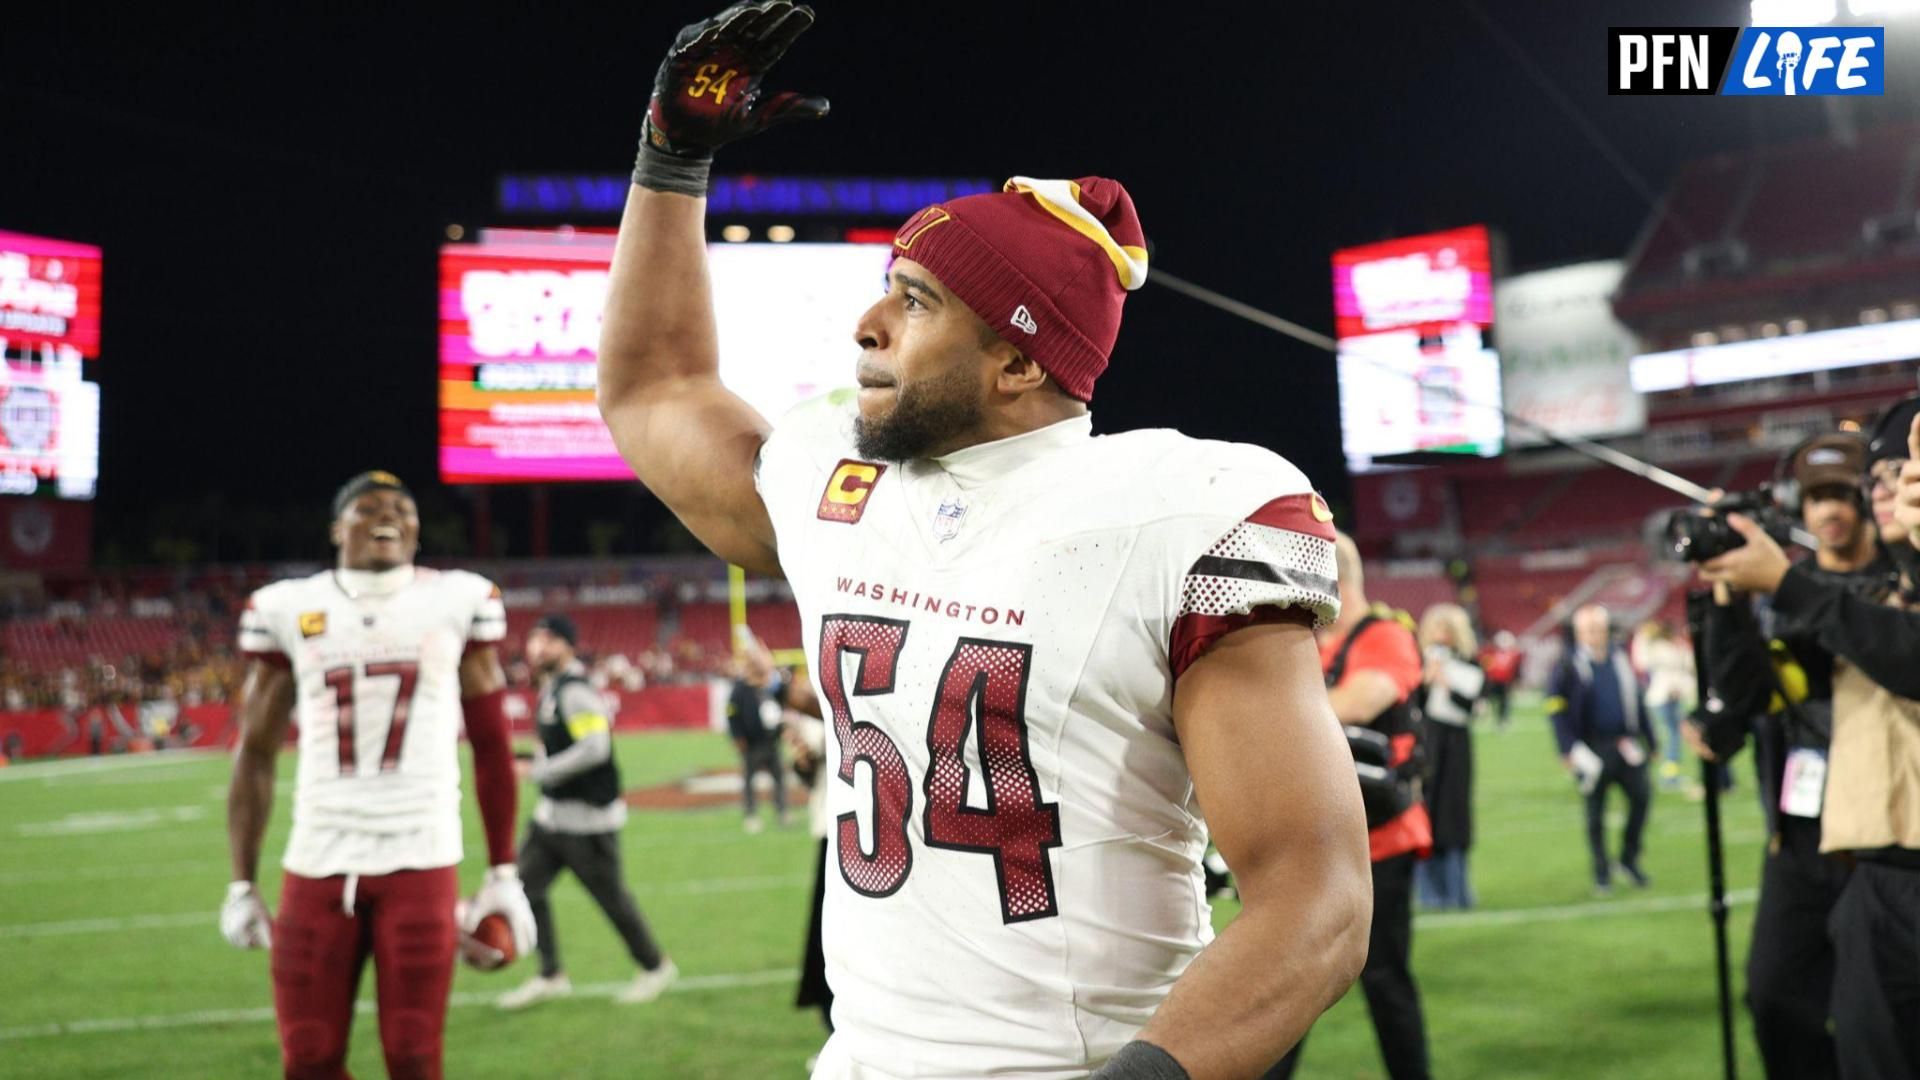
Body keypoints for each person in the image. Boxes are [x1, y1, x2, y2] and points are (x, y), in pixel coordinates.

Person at [593, 4, 1373, 1076]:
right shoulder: (839, 483)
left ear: (1017, 363)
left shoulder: (1180, 509)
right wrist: (670, 162)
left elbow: (1318, 899)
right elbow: (656, 387)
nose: (868, 326)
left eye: (914, 302)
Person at [221, 471, 536, 1080]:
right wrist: (240, 882)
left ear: (418, 529)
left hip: (421, 855)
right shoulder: (289, 606)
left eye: (402, 507)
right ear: (338, 528)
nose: (387, 515)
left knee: (415, 1055)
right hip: (317, 858)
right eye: (368, 507)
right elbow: (255, 753)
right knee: (308, 1056)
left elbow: (494, 746)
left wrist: (502, 871)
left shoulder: (456, 599)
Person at [1707, 406, 1920, 1079]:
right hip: (1818, 840)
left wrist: (1788, 582)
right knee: (1783, 1004)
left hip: (1891, 851)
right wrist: (1731, 599)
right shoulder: (1814, 596)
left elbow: (1903, 652)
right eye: (1819, 495)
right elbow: (1746, 694)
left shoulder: (1889, 582)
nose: (1843, 506)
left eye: (1856, 489)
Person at [1268, 534, 1432, 1080]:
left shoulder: (1385, 635)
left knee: (1385, 983)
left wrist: (1270, 716)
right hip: (1314, 842)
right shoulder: (1314, 643)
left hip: (1381, 840)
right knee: (1287, 987)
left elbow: (1360, 702)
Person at [497, 614, 677, 1011]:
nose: (537, 647)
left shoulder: (575, 690)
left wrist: (540, 769)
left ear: (568, 646)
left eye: (548, 640)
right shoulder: (552, 687)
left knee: (611, 898)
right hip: (553, 817)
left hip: (586, 820)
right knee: (526, 889)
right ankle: (551, 975)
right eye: (534, 639)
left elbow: (595, 747)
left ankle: (655, 966)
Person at [1547, 604, 1656, 896]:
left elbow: (1638, 701)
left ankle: (1628, 859)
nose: (1595, 634)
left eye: (1598, 628)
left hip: (1625, 744)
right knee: (1595, 813)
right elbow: (1556, 709)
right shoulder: (1569, 664)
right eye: (1589, 629)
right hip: (1591, 748)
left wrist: (1651, 740)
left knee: (1642, 798)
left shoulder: (1619, 659)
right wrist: (1567, 748)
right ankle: (1601, 871)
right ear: (1579, 632)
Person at [1414, 603, 1483, 911]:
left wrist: (1447, 684)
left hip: (1455, 746)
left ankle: (1457, 890)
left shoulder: (1470, 664)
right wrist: (1426, 681)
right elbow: (1412, 704)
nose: (1441, 637)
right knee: (1425, 810)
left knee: (1453, 813)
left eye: (1447, 632)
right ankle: (1429, 892)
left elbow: (1473, 707)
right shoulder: (1419, 664)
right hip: (1427, 744)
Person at [726, 631, 787, 833]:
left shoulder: (770, 685)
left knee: (779, 777)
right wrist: (738, 737)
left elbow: (781, 704)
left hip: (771, 740)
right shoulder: (740, 687)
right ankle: (751, 814)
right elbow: (732, 713)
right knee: (749, 780)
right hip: (751, 743)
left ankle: (782, 811)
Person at [1631, 620, 1695, 792]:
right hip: (1663, 698)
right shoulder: (1657, 647)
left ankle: (1670, 774)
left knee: (1673, 736)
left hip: (1673, 697)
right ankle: (1669, 776)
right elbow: (1641, 662)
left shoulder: (1674, 647)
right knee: (1672, 737)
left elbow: (1689, 666)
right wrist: (1642, 636)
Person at [1478, 630, 1521, 732]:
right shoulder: (1490, 653)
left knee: (1504, 702)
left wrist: (1515, 682)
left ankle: (1502, 720)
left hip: (1504, 683)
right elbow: (1484, 666)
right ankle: (1482, 716)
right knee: (1484, 701)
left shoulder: (1513, 654)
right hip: (1491, 682)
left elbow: (1515, 670)